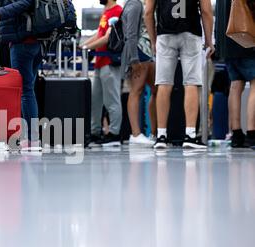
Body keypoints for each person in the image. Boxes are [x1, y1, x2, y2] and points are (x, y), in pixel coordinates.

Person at [145, 0, 215, 149]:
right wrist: (209, 40)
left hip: (165, 34)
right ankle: (189, 135)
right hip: (191, 33)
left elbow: (148, 12)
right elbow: (207, 11)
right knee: (191, 83)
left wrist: (153, 40)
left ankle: (161, 136)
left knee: (164, 84)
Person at [0, 0, 43, 151]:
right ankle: (28, 138)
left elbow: (25, 2)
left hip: (22, 41)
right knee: (28, 90)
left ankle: (32, 139)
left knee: (25, 91)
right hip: (35, 40)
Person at [80, 0, 123, 147]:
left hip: (109, 62)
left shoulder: (117, 11)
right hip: (99, 62)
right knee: (96, 100)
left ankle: (114, 134)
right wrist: (83, 46)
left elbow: (107, 37)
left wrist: (87, 48)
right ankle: (95, 132)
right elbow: (99, 34)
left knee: (112, 100)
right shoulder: (106, 12)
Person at [215, 0, 255, 149]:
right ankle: (252, 134)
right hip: (247, 37)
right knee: (254, 84)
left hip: (228, 41)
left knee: (235, 85)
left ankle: (236, 134)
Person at [120, 0, 156, 146]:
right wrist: (134, 59)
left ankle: (154, 132)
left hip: (148, 52)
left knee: (157, 89)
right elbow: (131, 34)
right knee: (136, 91)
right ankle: (135, 133)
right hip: (140, 52)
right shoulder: (135, 4)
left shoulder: (140, 4)